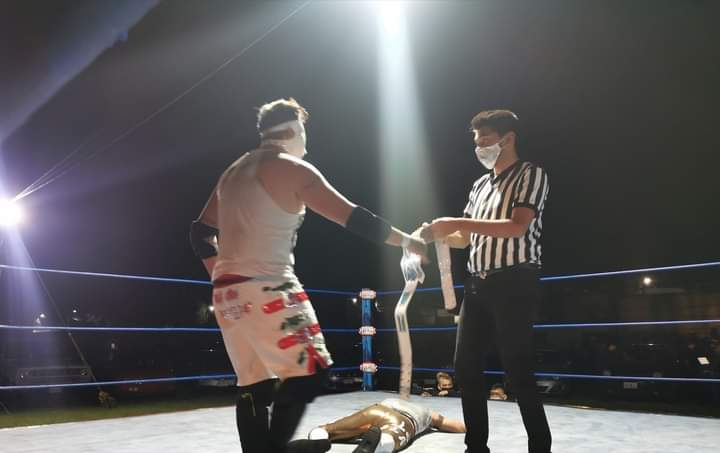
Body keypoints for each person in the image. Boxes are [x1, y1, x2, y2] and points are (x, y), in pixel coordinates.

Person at [189, 98, 427, 453]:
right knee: (312, 371)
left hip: (227, 293)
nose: (306, 142)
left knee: (253, 383)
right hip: (268, 287)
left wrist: (222, 275)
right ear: (293, 131)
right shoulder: (293, 169)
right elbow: (353, 217)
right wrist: (408, 241)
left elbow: (199, 233)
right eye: (303, 133)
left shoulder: (234, 171)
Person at [419, 109, 551, 453]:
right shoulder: (479, 185)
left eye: (485, 139)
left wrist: (455, 222)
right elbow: (465, 238)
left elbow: (517, 226)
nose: (479, 147)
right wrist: (435, 235)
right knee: (465, 367)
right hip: (477, 285)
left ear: (508, 138)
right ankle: (476, 447)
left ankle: (540, 447)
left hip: (515, 281)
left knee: (517, 369)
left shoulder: (531, 174)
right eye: (476, 140)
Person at [288, 397, 466, 453]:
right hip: (403, 420)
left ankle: (318, 440)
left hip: (376, 410)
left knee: (330, 428)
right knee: (390, 438)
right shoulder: (428, 413)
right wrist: (473, 427)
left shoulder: (392, 399)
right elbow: (450, 424)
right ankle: (376, 446)